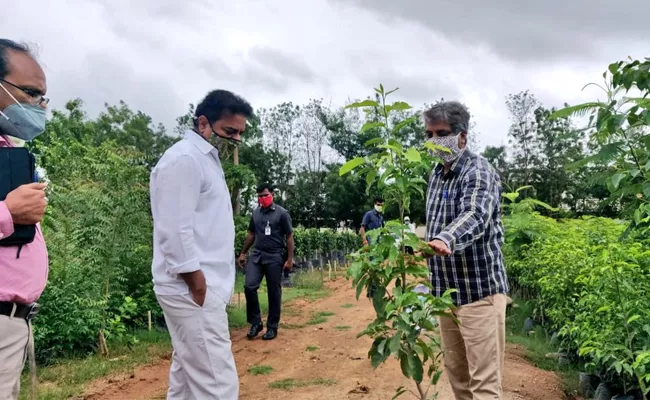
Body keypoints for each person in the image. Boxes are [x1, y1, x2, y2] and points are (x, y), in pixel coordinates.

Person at [150, 89, 253, 400]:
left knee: (186, 380)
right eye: (229, 131)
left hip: (199, 288)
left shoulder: (205, 160)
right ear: (204, 123)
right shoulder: (184, 159)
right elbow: (174, 228)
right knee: (217, 386)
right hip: (192, 289)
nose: (235, 139)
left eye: (240, 133)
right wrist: (197, 286)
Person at [424, 101, 508, 399]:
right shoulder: (435, 175)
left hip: (479, 294)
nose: (434, 141)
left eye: (442, 133)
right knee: (458, 379)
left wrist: (446, 239)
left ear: (462, 136)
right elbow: (433, 225)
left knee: (484, 384)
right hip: (446, 295)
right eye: (429, 134)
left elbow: (475, 214)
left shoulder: (479, 171)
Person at [0, 39, 50, 400]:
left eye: (42, 97)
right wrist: (8, 212)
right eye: (31, 93)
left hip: (13, 322)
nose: (39, 106)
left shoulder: (8, 150)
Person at [238, 183, 294, 341]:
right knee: (249, 287)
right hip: (257, 255)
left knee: (274, 292)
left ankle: (272, 327)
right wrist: (242, 253)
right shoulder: (256, 213)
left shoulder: (282, 214)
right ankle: (256, 323)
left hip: (275, 256)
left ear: (272, 195)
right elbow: (251, 234)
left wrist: (290, 259)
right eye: (260, 196)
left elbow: (289, 237)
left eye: (265, 195)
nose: (262, 198)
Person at [359, 196, 384, 298]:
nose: (380, 207)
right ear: (374, 204)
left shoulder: (381, 217)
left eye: (382, 205)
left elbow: (383, 229)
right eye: (378, 205)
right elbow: (362, 228)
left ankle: (374, 290)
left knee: (378, 266)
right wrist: (365, 241)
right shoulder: (369, 215)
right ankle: (372, 291)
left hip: (378, 245)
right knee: (373, 266)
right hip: (371, 243)